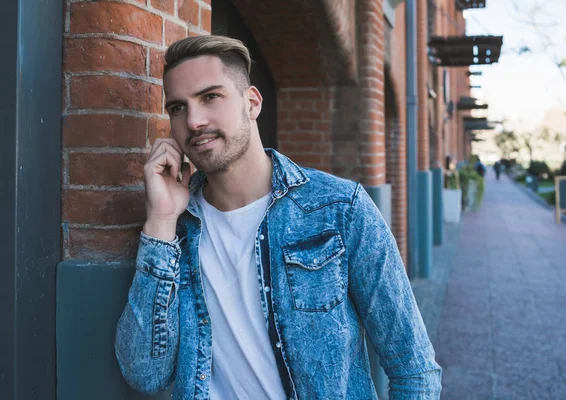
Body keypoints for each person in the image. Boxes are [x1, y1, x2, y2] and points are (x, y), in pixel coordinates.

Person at [114, 35, 442, 400]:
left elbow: (414, 368)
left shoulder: (339, 208)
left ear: (251, 102)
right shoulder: (178, 228)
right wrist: (160, 222)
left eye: (210, 97)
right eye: (177, 107)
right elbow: (145, 373)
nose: (193, 120)